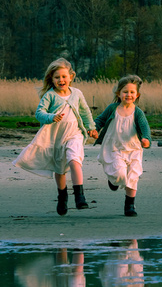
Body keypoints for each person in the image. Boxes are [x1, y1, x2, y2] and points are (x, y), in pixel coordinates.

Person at [13, 58, 98, 215]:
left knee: (74, 160)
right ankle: (62, 196)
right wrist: (51, 117)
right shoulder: (50, 96)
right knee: (60, 170)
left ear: (71, 76)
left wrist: (91, 128)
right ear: (51, 79)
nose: (61, 80)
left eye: (64, 76)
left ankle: (80, 196)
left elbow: (85, 111)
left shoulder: (77, 93)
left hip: (75, 135)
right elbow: (39, 113)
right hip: (56, 138)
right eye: (57, 77)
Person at [94, 75, 152, 217]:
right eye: (125, 92)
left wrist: (146, 139)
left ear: (137, 95)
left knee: (133, 176)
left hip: (133, 149)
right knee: (120, 174)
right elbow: (100, 120)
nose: (128, 95)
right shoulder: (112, 108)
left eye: (132, 92)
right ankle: (113, 181)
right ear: (118, 93)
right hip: (115, 147)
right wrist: (94, 129)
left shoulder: (137, 113)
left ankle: (129, 205)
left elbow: (145, 128)